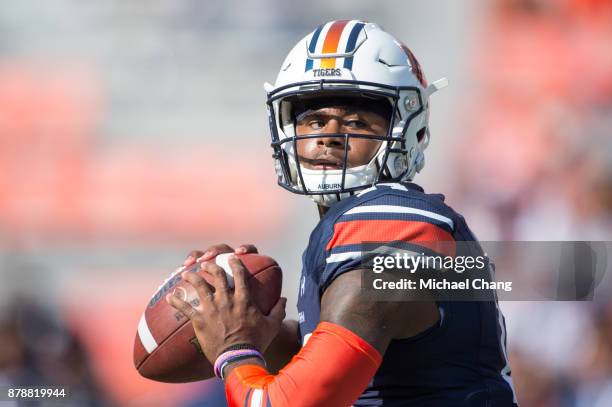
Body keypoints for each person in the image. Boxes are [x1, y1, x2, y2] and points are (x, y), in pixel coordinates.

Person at [167, 20, 518, 406]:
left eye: (356, 122)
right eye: (315, 120)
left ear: (408, 129)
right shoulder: (355, 227)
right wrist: (241, 319)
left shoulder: (390, 227)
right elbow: (356, 352)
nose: (329, 135)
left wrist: (234, 348)